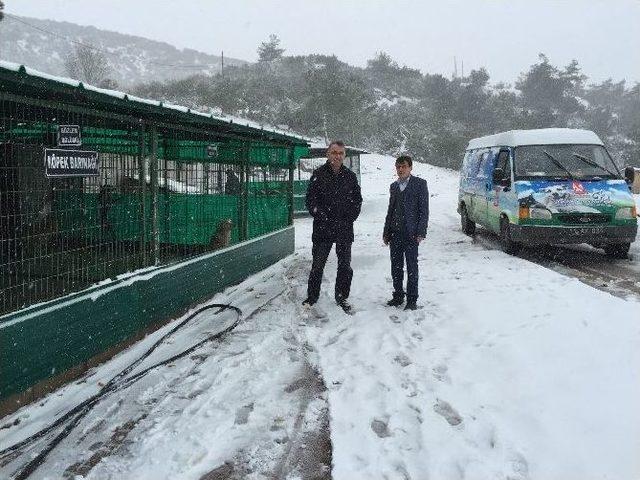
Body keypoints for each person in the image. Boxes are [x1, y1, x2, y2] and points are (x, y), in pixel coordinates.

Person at [303, 140, 362, 313]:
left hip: (344, 228)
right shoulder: (318, 174)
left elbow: (357, 200)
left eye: (340, 153)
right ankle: (312, 296)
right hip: (323, 228)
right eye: (334, 152)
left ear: (344, 155)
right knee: (317, 265)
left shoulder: (350, 177)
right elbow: (310, 200)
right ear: (328, 154)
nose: (337, 156)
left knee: (345, 265)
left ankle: (342, 296)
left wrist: (350, 217)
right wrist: (321, 214)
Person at [382, 155, 429, 310]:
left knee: (411, 267)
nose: (400, 169)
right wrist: (386, 231)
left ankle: (412, 299)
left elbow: (424, 211)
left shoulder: (420, 184)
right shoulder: (394, 186)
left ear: (410, 168)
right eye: (398, 167)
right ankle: (398, 296)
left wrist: (421, 231)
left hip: (411, 234)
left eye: (403, 166)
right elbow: (391, 210)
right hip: (395, 233)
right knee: (396, 266)